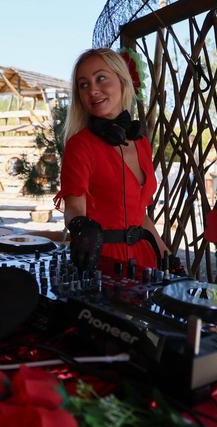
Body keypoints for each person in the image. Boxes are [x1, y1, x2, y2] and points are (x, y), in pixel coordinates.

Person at [54, 48, 169, 272]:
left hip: (144, 258)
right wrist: (81, 227)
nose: (93, 90)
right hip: (102, 262)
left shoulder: (141, 142)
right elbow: (74, 207)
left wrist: (167, 255)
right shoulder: (80, 145)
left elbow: (140, 216)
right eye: (84, 84)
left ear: (122, 81)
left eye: (101, 78)